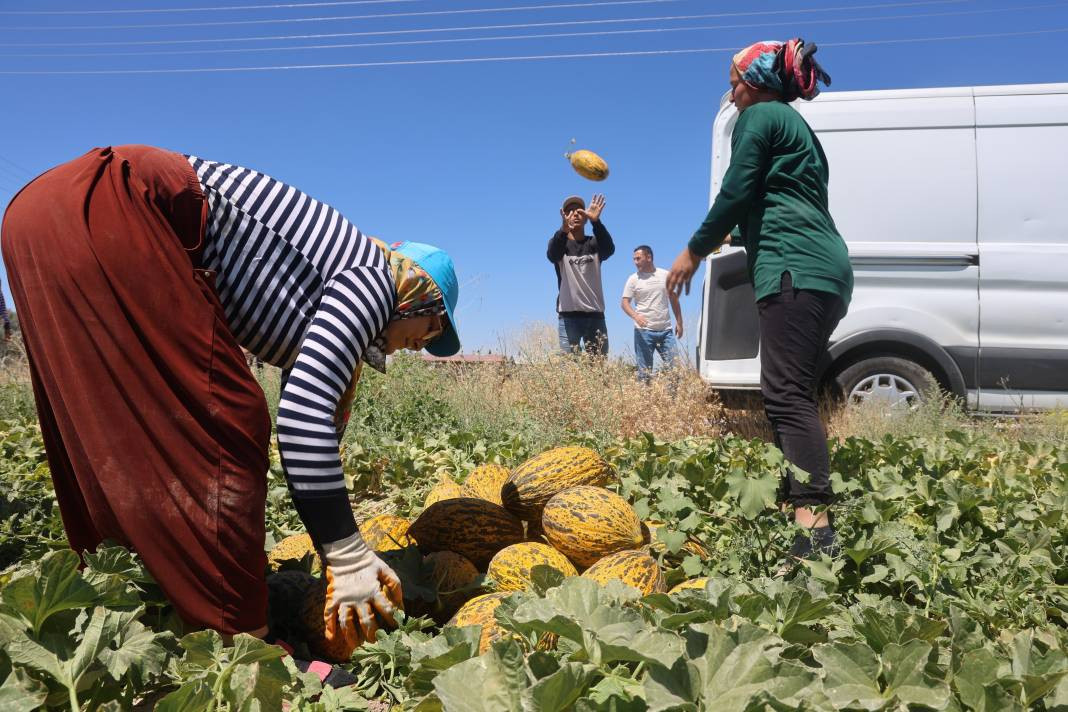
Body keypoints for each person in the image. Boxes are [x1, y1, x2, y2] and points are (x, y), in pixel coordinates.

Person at [1, 145, 461, 681]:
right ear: (418, 296)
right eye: (429, 333)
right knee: (228, 421)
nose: (417, 348)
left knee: (114, 426)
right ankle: (251, 655)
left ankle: (138, 590)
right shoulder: (375, 278)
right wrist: (349, 554)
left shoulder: (326, 286)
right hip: (117, 205)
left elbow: (314, 427)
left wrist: (329, 525)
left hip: (35, 213)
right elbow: (303, 416)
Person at [666, 40, 853, 563]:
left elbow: (738, 189)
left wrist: (693, 250)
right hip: (824, 268)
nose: (730, 90)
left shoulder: (761, 115)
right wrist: (746, 235)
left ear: (759, 81)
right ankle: (797, 505)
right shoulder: (798, 128)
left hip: (795, 268)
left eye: (734, 80)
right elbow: (781, 196)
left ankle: (814, 536)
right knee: (793, 392)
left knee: (787, 395)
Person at [547, 194, 614, 355]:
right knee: (569, 370)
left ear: (585, 218)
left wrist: (596, 222)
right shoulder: (559, 244)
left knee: (597, 369)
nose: (575, 214)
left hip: (595, 315)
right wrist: (563, 231)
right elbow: (552, 255)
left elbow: (609, 249)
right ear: (564, 216)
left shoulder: (594, 243)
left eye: (579, 211)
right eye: (569, 211)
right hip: (568, 317)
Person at [621, 245, 683, 382]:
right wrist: (636, 316)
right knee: (645, 374)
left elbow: (674, 299)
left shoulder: (665, 275)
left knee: (675, 371)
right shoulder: (633, 279)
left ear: (649, 257)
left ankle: (671, 402)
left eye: (638, 258)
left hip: (666, 331)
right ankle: (646, 403)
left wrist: (679, 322)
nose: (635, 262)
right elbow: (624, 303)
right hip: (643, 332)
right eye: (634, 259)